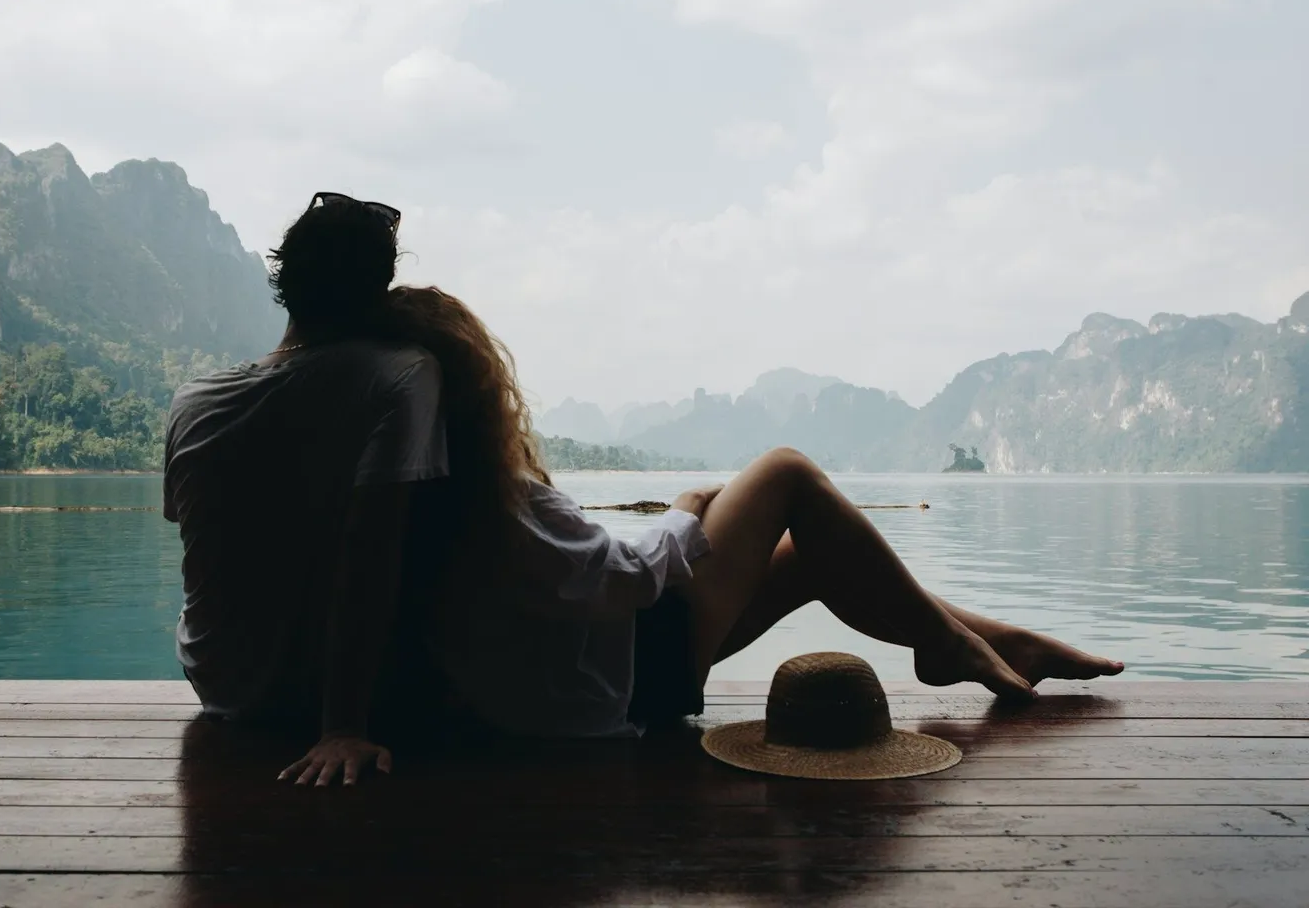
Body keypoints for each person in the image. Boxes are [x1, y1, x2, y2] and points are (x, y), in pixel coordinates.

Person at [316, 284, 1126, 763]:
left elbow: (582, 576)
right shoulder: (496, 505)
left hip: (598, 672)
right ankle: (948, 642)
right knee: (784, 472)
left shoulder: (404, 502)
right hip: (626, 686)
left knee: (810, 558)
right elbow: (629, 577)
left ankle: (980, 641)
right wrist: (687, 509)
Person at [163, 193, 453, 788]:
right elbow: (372, 551)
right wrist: (342, 726)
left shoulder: (193, 400)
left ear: (283, 278)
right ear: (381, 287)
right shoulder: (403, 373)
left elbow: (202, 538)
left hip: (220, 685)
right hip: (328, 701)